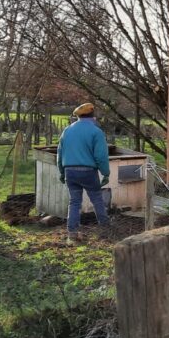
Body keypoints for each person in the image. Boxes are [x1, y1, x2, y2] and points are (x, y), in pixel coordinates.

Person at [57, 102, 111, 239]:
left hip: (69, 171)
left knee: (74, 202)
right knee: (97, 199)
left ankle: (72, 232)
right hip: (88, 172)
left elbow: (60, 153)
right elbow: (101, 156)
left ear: (78, 116)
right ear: (93, 115)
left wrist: (62, 172)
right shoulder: (96, 132)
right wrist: (105, 173)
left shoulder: (67, 131)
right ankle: (105, 229)